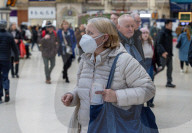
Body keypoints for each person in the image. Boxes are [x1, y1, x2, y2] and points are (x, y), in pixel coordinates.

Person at [61, 17, 155, 133]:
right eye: (86, 32)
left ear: (105, 37)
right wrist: (73, 95)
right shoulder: (85, 59)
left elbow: (148, 89)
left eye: (90, 33)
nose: (85, 37)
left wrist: (116, 96)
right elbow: (84, 86)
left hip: (110, 127)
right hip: (84, 127)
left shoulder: (124, 60)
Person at [140, 27, 162, 108]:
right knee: (141, 85)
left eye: (146, 33)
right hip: (140, 66)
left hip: (150, 65)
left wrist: (159, 64)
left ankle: (150, 101)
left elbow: (156, 54)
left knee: (150, 84)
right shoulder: (137, 43)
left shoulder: (152, 42)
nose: (145, 34)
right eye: (143, 33)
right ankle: (141, 101)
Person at [0, 20, 19, 103]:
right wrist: (16, 58)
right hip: (6, 59)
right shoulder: (9, 35)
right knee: (5, 76)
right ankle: (7, 92)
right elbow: (15, 49)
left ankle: (0, 97)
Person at [156, 19, 176, 88]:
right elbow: (158, 43)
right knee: (161, 68)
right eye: (171, 25)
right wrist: (163, 52)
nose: (172, 26)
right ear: (166, 25)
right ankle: (149, 77)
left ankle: (169, 82)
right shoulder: (162, 32)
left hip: (169, 54)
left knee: (170, 68)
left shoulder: (169, 33)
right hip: (163, 54)